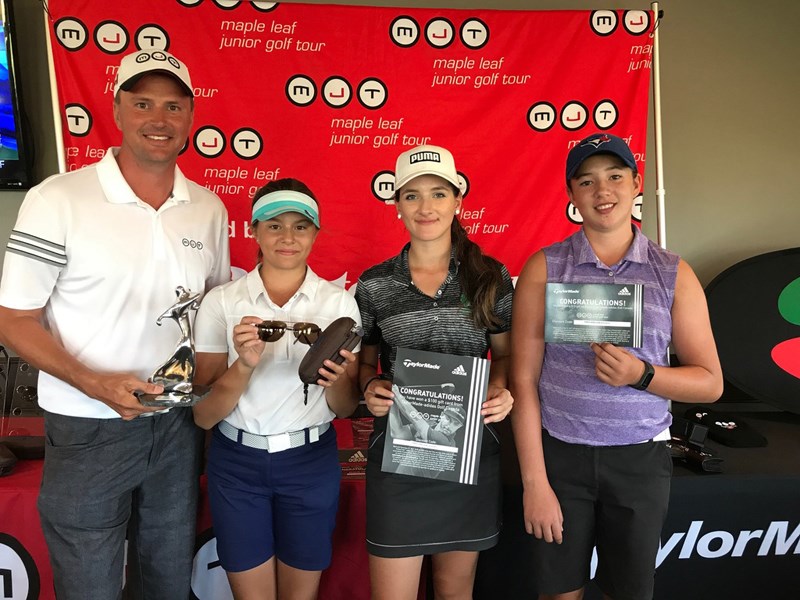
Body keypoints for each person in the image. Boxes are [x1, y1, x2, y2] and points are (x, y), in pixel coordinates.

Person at [0, 49, 230, 599]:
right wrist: (94, 383)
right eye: (143, 102)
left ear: (191, 116)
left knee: (166, 574)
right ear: (118, 109)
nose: (159, 119)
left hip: (175, 425)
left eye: (173, 106)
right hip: (87, 425)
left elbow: (215, 313)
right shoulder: (57, 198)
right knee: (90, 583)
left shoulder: (207, 208)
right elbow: (13, 320)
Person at [510, 133, 723, 600]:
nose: (602, 191)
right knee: (558, 590)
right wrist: (535, 483)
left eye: (614, 177)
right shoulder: (545, 267)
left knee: (628, 592)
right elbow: (522, 381)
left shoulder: (672, 272)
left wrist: (642, 375)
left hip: (638, 461)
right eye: (586, 181)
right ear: (571, 194)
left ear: (636, 183)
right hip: (560, 456)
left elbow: (710, 384)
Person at [355, 144, 515, 599]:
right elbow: (365, 361)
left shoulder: (490, 276)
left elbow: (503, 357)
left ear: (458, 201)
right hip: (398, 455)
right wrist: (370, 385)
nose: (426, 207)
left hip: (468, 450)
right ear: (397, 205)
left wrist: (502, 392)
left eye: (439, 193)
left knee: (454, 592)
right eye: (412, 195)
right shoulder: (374, 283)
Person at [192, 178, 361, 600]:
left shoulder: (337, 304)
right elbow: (203, 414)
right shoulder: (223, 302)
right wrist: (245, 364)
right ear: (253, 230)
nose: (287, 237)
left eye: (300, 226)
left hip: (310, 462)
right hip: (237, 463)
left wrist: (338, 378)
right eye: (274, 225)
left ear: (316, 233)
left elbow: (343, 408)